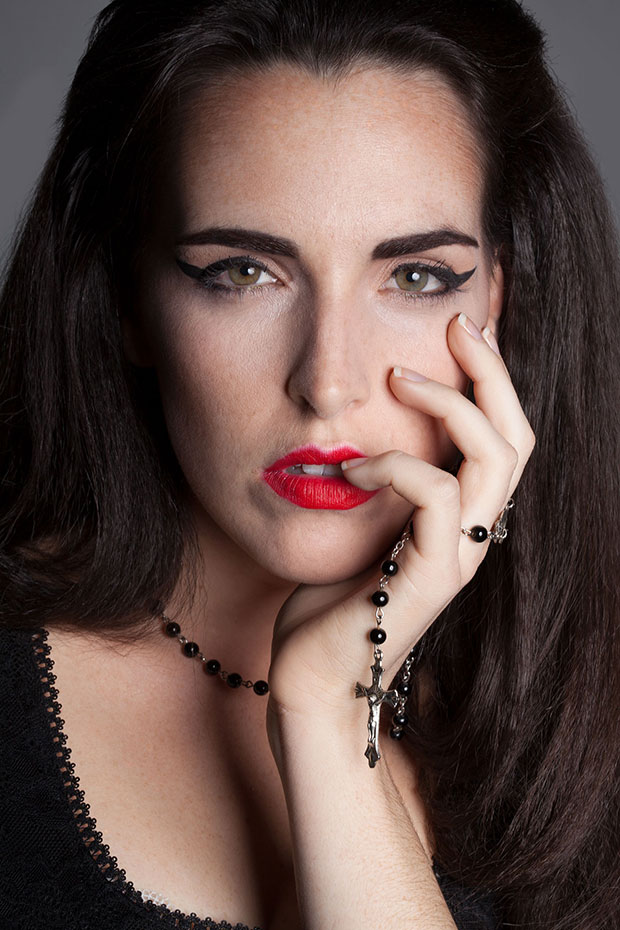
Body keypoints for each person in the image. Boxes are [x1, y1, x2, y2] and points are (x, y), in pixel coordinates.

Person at [0, 0, 618, 928]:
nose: (326, 385)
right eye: (242, 272)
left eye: (414, 277)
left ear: (497, 297)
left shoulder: (590, 704)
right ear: (129, 300)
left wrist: (327, 713)